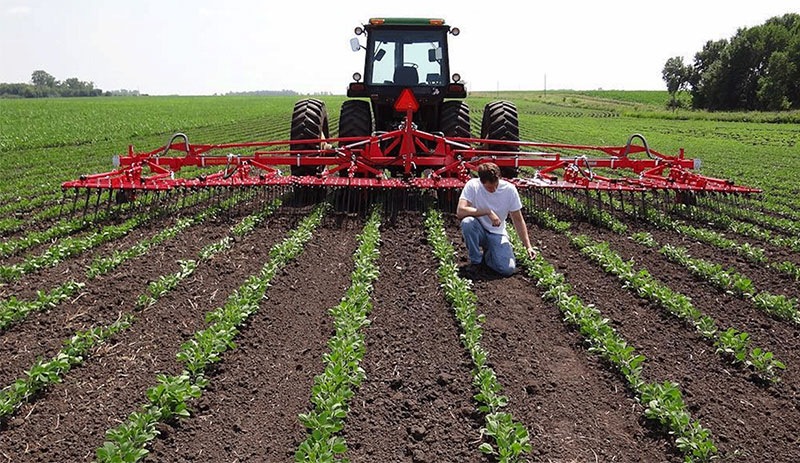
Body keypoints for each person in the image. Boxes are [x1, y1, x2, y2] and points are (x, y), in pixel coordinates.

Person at [456, 162, 536, 276]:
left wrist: (528, 246)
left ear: (499, 178)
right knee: (467, 222)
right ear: (481, 181)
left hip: (497, 233)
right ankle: (476, 262)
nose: (493, 189)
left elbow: (518, 219)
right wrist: (487, 211)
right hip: (478, 230)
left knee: (507, 269)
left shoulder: (509, 190)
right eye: (489, 187)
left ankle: (489, 255)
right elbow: (460, 211)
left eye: (496, 185)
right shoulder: (472, 185)